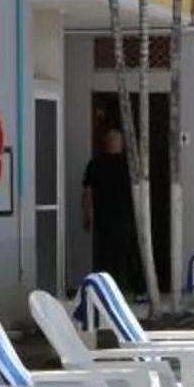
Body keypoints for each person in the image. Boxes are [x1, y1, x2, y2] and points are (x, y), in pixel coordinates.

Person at [79, 124, 145, 297]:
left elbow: (142, 190)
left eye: (115, 139)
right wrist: (87, 215)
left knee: (128, 255)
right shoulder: (97, 164)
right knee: (108, 257)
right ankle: (107, 292)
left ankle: (136, 290)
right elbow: (87, 192)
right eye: (111, 139)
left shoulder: (130, 164)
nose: (113, 142)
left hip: (125, 217)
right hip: (106, 219)